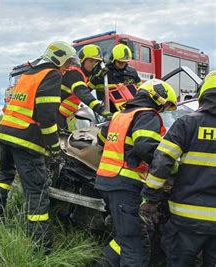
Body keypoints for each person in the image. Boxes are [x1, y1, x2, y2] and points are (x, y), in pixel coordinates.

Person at [0, 41, 78, 252]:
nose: (67, 69)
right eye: (67, 64)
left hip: (6, 134)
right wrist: (55, 148)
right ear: (59, 59)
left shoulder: (29, 73)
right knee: (37, 192)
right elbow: (46, 117)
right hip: (26, 141)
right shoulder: (52, 74)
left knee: (4, 176)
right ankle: (42, 247)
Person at [94, 79, 177, 266]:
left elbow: (101, 138)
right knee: (136, 244)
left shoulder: (120, 115)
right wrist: (172, 165)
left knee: (127, 236)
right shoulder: (148, 115)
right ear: (157, 98)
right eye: (164, 107)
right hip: (126, 183)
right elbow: (146, 147)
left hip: (106, 182)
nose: (162, 111)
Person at [140, 71, 216, 266]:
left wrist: (151, 198)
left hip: (186, 220)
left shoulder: (188, 123)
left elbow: (162, 160)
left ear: (203, 93)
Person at [57, 44, 111, 131]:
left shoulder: (80, 74)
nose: (93, 64)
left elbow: (83, 91)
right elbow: (83, 93)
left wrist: (96, 79)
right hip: (56, 114)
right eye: (90, 60)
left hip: (62, 114)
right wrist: (102, 111)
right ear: (82, 60)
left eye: (95, 61)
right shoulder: (74, 73)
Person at [89, 44, 142, 112]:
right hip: (109, 108)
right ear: (113, 59)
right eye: (120, 62)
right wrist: (97, 79)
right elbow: (88, 89)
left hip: (130, 107)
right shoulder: (102, 70)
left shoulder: (132, 71)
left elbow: (140, 88)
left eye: (125, 62)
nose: (122, 65)